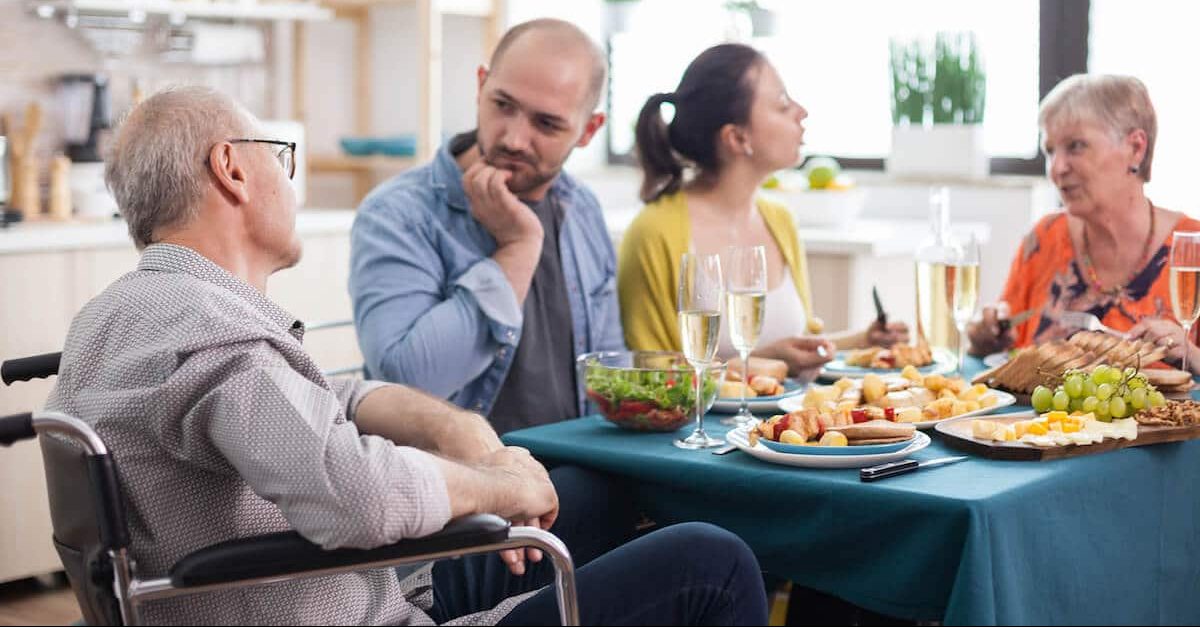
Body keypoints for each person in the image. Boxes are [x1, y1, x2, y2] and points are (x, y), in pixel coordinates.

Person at [46, 86, 767, 626]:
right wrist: (492, 487)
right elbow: (354, 494)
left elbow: (332, 397)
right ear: (232, 168)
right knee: (713, 560)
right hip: (349, 605)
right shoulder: (205, 327)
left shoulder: (122, 316)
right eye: (280, 157)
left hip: (346, 584)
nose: (288, 183)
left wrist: (463, 436)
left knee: (593, 492)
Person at [350, 19, 624, 435]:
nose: (514, 138)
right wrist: (517, 247)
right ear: (481, 86)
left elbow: (609, 370)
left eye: (546, 124)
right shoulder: (398, 214)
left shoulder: (581, 208)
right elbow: (406, 384)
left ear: (588, 130)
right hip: (463, 484)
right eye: (503, 105)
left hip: (580, 464)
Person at [617, 43, 907, 380]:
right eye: (782, 105)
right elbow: (652, 378)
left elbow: (794, 353)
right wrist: (759, 363)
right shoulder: (653, 232)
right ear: (738, 138)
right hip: (701, 433)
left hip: (781, 431)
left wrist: (862, 340)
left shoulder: (779, 220)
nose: (801, 112)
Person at [968, 74, 1200, 372]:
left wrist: (1192, 355)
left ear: (1135, 148)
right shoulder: (1044, 238)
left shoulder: (1192, 246)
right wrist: (985, 339)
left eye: (1076, 146)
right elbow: (1004, 356)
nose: (1057, 169)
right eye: (1050, 151)